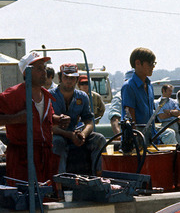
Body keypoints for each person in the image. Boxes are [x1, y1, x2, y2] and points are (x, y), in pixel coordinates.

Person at [0, 51, 62, 183]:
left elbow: (46, 118)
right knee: (23, 198)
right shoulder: (13, 94)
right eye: (39, 69)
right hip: (22, 157)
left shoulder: (46, 96)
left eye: (44, 68)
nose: (44, 72)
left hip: (45, 155)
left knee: (46, 197)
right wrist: (16, 119)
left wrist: (57, 119)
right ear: (26, 72)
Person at [50, 63, 105, 174]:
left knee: (99, 139)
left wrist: (83, 135)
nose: (69, 81)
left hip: (75, 135)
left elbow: (89, 121)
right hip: (57, 135)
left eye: (72, 78)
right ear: (60, 77)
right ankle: (59, 185)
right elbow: (49, 126)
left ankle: (98, 179)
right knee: (58, 142)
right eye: (66, 77)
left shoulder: (82, 97)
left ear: (77, 79)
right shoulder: (50, 96)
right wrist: (69, 135)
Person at [120, 48, 177, 145]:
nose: (153, 67)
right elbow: (130, 118)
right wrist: (135, 141)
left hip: (150, 138)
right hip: (136, 141)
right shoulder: (129, 87)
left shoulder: (149, 86)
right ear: (137, 63)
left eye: (154, 64)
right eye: (150, 63)